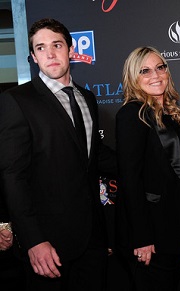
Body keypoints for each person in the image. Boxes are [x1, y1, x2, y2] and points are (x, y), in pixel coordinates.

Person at [0, 18, 117, 291]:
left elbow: (93, 156)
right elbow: (12, 177)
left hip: (93, 240)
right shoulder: (17, 100)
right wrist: (33, 240)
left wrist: (153, 163)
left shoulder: (87, 98)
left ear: (70, 49)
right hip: (48, 244)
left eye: (56, 45)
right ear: (33, 57)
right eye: (40, 48)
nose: (50, 54)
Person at [115, 46, 180, 291]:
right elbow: (129, 180)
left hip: (177, 226)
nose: (155, 75)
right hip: (152, 233)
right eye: (145, 71)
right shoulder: (132, 115)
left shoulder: (170, 113)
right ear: (134, 78)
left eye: (160, 67)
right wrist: (142, 238)